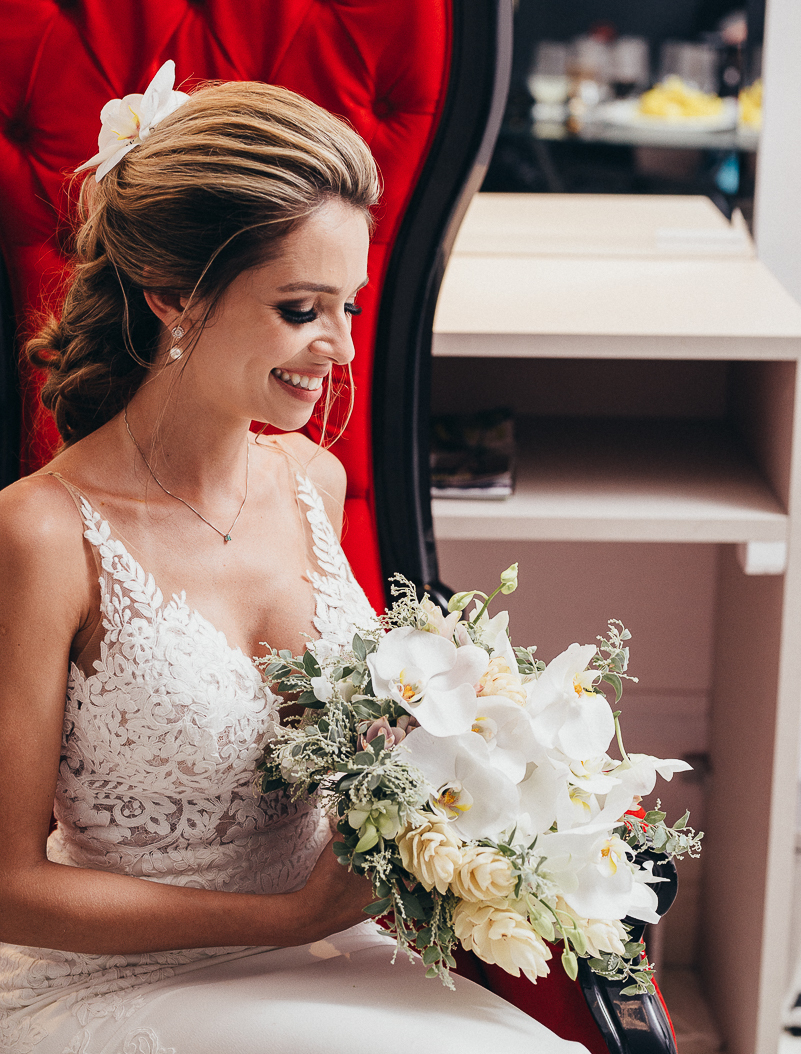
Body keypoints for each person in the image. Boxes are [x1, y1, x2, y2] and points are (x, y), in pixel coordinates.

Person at [0, 66, 589, 1054]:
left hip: (335, 961)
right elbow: (9, 890)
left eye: (349, 307)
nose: (341, 349)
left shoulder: (310, 482)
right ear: (174, 295)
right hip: (125, 981)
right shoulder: (41, 535)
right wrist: (291, 917)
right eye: (301, 309)